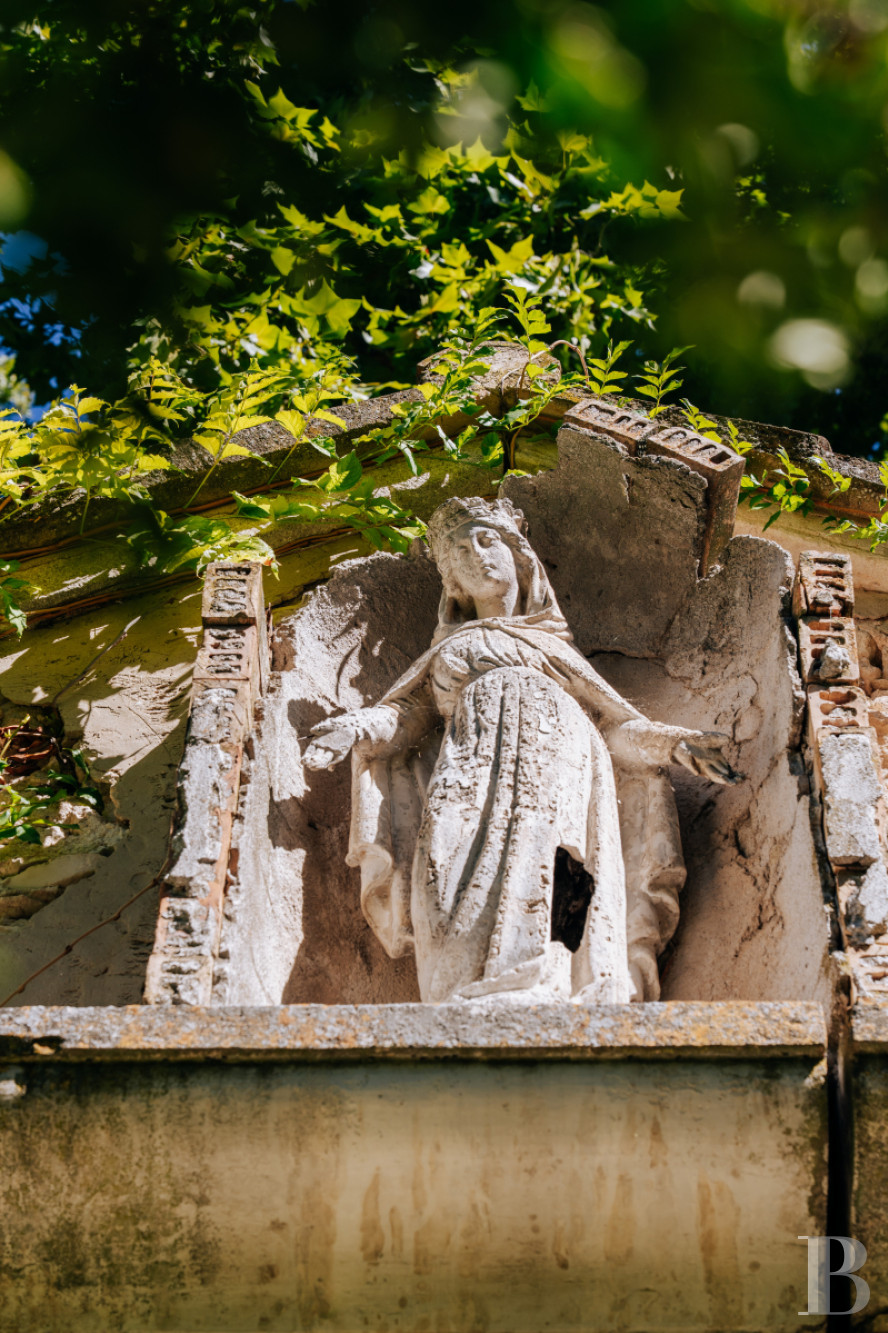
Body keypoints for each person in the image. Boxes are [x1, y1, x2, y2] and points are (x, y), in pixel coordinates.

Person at [303, 496, 738, 1004]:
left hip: (555, 763)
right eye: (459, 551)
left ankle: (546, 989)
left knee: (549, 865)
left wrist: (677, 745)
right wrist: (355, 727)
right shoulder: (448, 651)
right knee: (442, 866)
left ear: (520, 556)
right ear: (453, 582)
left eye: (488, 540)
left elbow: (618, 729)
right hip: (467, 767)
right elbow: (403, 717)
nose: (476, 555)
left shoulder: (554, 649)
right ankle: (456, 995)